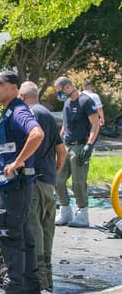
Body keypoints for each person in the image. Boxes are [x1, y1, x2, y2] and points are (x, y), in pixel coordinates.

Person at [0, 70, 44, 294]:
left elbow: (37, 134)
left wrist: (17, 162)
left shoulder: (18, 111)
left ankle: (12, 292)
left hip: (14, 187)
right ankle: (32, 291)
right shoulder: (9, 112)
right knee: (23, 237)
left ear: (14, 87)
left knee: (9, 236)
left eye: (0, 84)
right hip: (15, 187)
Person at [19, 81, 67, 293]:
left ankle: (39, 282)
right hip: (48, 181)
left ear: (21, 96)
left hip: (35, 179)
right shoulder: (47, 114)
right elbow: (62, 151)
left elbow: (32, 141)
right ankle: (49, 282)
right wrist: (55, 172)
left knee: (34, 229)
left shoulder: (29, 115)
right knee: (48, 230)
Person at [54, 77, 101, 228]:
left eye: (60, 92)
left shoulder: (85, 101)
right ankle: (65, 209)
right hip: (66, 146)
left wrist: (89, 145)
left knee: (78, 182)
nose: (58, 95)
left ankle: (82, 212)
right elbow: (65, 126)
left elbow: (95, 125)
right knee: (58, 180)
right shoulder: (67, 103)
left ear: (67, 87)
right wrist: (58, 143)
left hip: (80, 146)